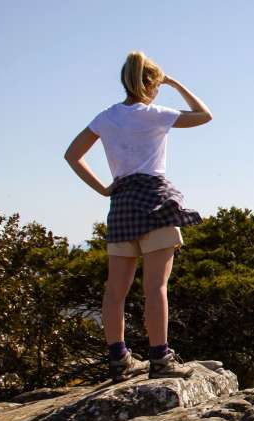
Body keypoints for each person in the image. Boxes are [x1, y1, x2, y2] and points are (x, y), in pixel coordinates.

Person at [64, 51, 213, 383]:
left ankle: (119, 360)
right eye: (158, 84)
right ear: (151, 83)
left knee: (114, 291)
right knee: (156, 286)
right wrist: (174, 83)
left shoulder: (106, 117)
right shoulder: (154, 114)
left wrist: (104, 189)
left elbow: (72, 156)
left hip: (121, 203)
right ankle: (160, 358)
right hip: (156, 202)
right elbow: (204, 115)